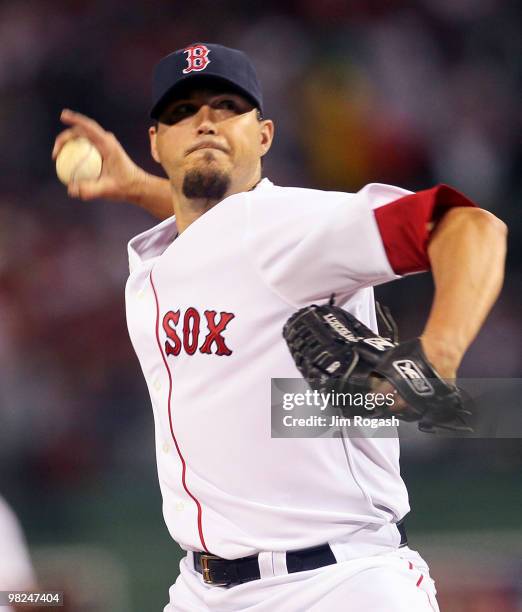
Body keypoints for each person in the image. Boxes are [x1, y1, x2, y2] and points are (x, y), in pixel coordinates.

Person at [52, 43, 507, 611]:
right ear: (156, 143)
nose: (204, 121)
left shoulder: (290, 224)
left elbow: (470, 226)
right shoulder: (175, 251)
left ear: (263, 135)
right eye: (181, 111)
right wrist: (140, 187)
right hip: (202, 590)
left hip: (337, 584)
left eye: (226, 105)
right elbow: (213, 240)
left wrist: (436, 353)